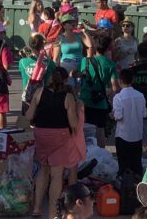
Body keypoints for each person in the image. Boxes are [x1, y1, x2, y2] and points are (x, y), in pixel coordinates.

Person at [28, 67, 83, 219]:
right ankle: (54, 212)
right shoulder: (68, 97)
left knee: (43, 170)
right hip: (60, 136)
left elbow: (29, 115)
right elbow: (73, 123)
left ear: (50, 78)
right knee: (56, 175)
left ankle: (37, 209)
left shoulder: (39, 92)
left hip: (41, 134)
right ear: (65, 80)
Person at [79, 36, 120, 148]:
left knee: (82, 129)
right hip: (100, 102)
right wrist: (108, 93)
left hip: (84, 100)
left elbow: (80, 78)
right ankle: (100, 155)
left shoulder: (85, 61)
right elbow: (115, 88)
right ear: (107, 48)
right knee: (100, 130)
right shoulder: (111, 64)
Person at [113, 68, 147, 177]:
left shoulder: (118, 97)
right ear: (132, 80)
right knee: (136, 164)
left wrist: (111, 114)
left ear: (120, 81)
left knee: (123, 166)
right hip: (137, 134)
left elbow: (118, 116)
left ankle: (124, 188)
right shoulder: (140, 95)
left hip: (123, 135)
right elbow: (144, 114)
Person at [19, 33, 57, 114]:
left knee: (27, 122)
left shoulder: (22, 62)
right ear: (42, 46)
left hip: (27, 96)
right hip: (43, 96)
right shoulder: (49, 63)